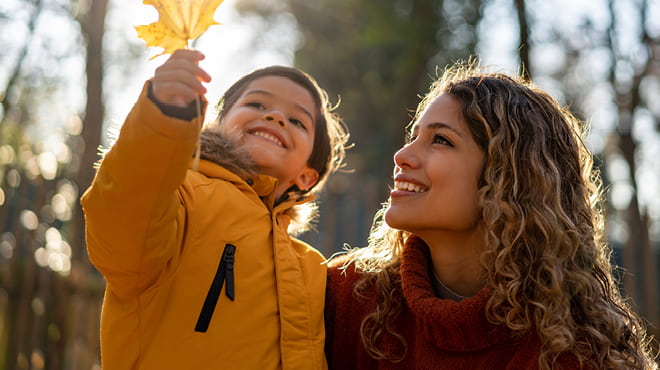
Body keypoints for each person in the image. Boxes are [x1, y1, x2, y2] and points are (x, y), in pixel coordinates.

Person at [325, 61, 657, 369]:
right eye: (414, 137)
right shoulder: (347, 296)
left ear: (509, 179)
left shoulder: (575, 351)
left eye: (440, 140)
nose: (402, 156)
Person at [81, 49, 348, 369]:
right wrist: (163, 120)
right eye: (257, 104)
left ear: (307, 175)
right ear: (220, 124)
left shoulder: (313, 268)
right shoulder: (182, 196)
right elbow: (124, 216)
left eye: (296, 120)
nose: (276, 117)